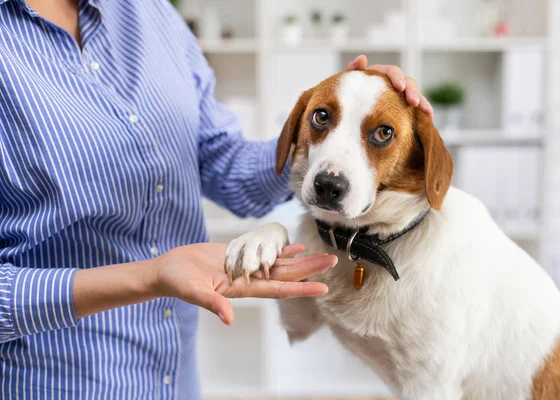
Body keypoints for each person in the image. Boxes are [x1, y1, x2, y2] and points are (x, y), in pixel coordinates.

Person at [0, 0, 433, 398]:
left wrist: (334, 136)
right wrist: (151, 276)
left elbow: (221, 159)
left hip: (175, 376)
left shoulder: (149, 14)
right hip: (52, 381)